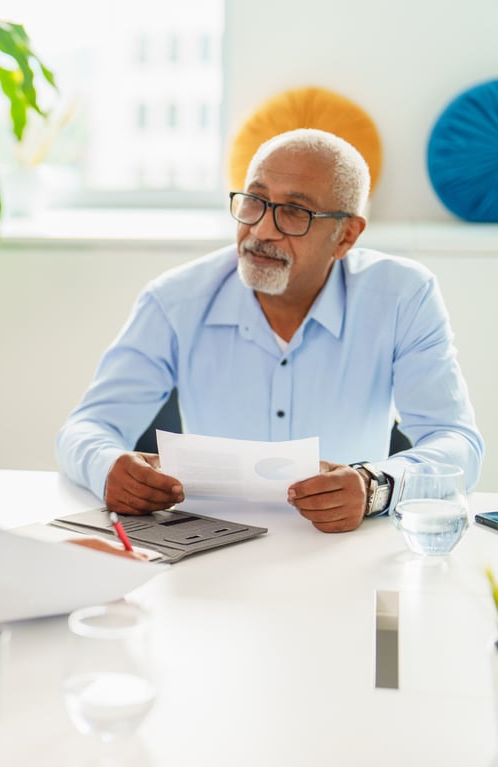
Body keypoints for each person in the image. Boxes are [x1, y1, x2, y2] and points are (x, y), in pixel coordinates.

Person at [56, 128, 484, 533]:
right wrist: (107, 465)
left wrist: (376, 486)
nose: (261, 230)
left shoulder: (401, 297)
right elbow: (86, 428)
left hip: (345, 548)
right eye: (254, 201)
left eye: (294, 212)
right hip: (206, 549)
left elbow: (456, 442)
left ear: (346, 235)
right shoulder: (175, 301)